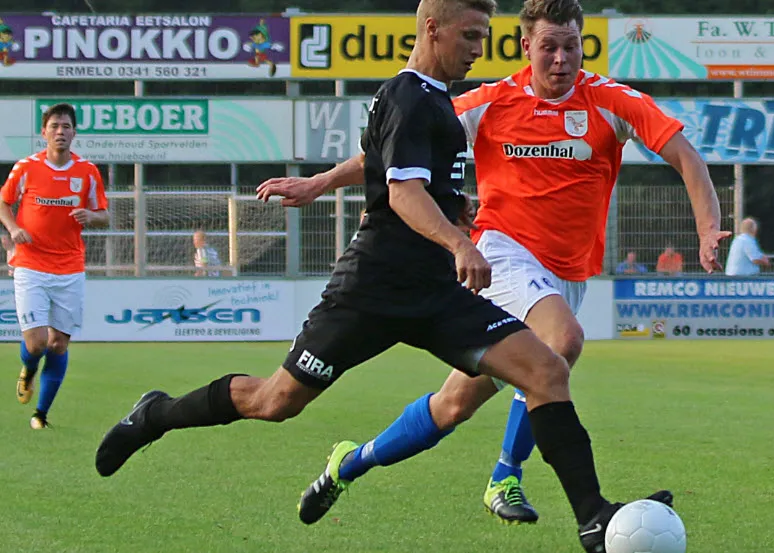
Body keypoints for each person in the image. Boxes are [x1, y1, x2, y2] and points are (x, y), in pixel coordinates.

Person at [94, 2, 670, 551]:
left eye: (483, 37)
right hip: (372, 288)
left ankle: (592, 518)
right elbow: (402, 192)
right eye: (470, 35)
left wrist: (437, 204)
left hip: (436, 293)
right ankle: (156, 413)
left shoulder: (439, 102)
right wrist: (458, 240)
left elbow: (398, 171)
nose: (478, 49)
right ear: (432, 28)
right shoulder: (406, 95)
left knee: (546, 368)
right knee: (276, 400)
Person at [256, 0, 728, 537]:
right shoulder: (491, 102)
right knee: (561, 341)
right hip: (501, 254)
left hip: (567, 274)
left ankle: (349, 464)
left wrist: (707, 228)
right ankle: (507, 477)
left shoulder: (611, 101)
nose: (560, 59)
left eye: (570, 46)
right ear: (527, 47)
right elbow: (389, 151)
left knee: (452, 406)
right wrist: (319, 182)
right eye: (548, 47)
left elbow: (686, 156)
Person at [0, 103, 109, 429]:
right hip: (31, 264)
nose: (60, 131)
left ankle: (41, 414)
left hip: (70, 268)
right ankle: (29, 369)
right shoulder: (27, 167)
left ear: (74, 133)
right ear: (44, 132)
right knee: (37, 343)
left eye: (66, 126)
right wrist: (13, 228)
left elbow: (104, 214)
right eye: (54, 126)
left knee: (58, 343)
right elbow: (4, 202)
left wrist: (91, 216)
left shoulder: (87, 171)